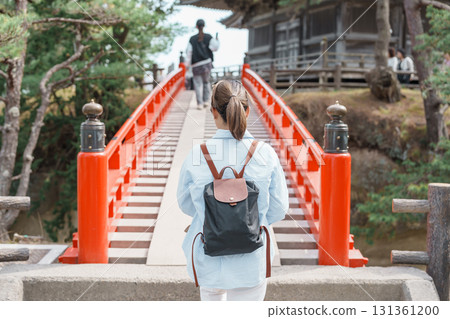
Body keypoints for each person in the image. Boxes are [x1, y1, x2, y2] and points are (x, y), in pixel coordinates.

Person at [177, 80, 289, 301]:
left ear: (213, 112)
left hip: (208, 251)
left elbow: (185, 203)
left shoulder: (197, 155)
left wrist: (212, 216)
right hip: (251, 257)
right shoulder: (265, 153)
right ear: (247, 110)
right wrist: (251, 218)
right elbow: (279, 207)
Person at [186, 19, 220, 110]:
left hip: (196, 65)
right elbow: (215, 48)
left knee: (197, 84)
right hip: (206, 64)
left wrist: (187, 66)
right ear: (204, 26)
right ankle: (206, 101)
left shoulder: (192, 39)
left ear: (196, 27)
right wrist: (217, 40)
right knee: (206, 82)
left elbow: (189, 53)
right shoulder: (208, 37)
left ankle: (199, 104)